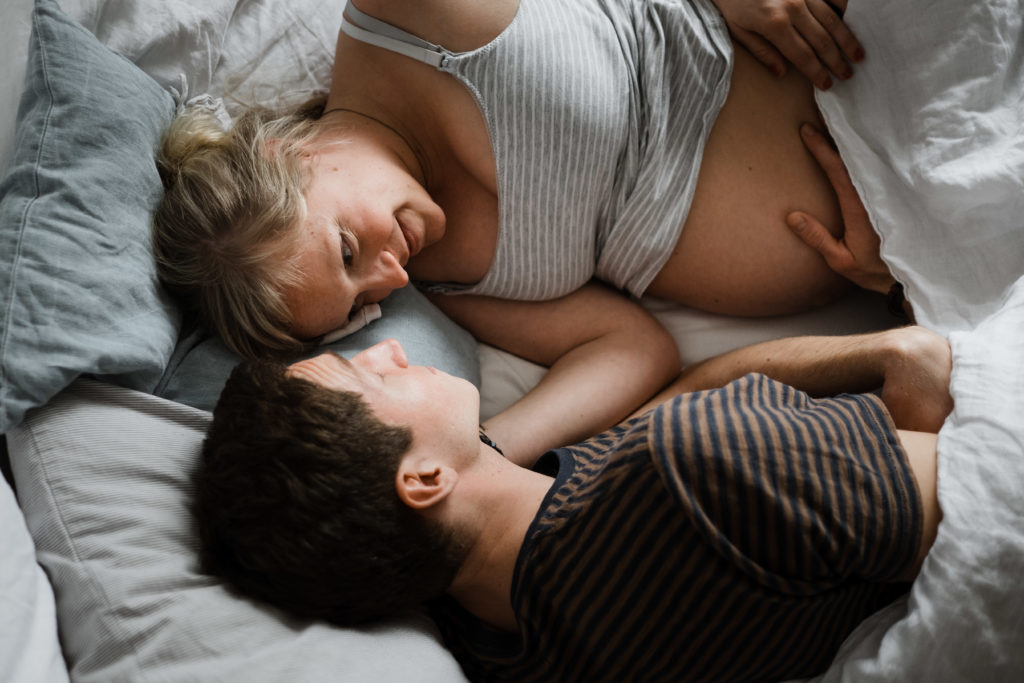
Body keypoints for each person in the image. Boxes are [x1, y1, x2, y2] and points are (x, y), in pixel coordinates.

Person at [154, 0, 873, 462]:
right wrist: (481, 451)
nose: (392, 277)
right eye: (360, 303)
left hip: (861, 59)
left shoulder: (404, 19)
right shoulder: (441, 274)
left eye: (347, 251)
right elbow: (629, 347)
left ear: (288, 155)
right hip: (896, 257)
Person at [194, 324, 952, 682]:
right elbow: (971, 494)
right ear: (423, 480)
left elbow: (686, 392)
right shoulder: (690, 467)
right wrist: (899, 353)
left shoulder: (492, 644)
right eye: (372, 378)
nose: (389, 347)